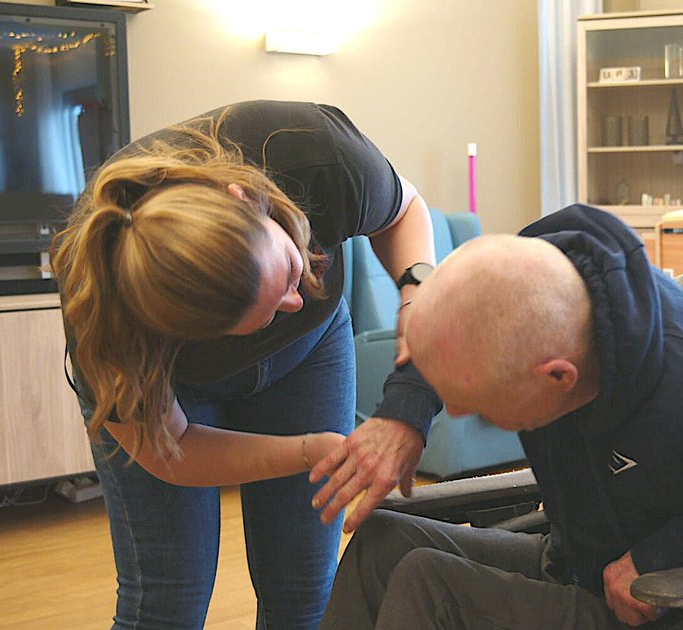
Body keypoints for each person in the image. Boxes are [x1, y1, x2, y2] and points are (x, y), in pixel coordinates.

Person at [316, 204, 683, 629]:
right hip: (576, 559)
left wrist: (664, 554)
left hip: (661, 603)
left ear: (557, 377)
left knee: (428, 583)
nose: (459, 412)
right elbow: (459, 318)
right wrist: (407, 413)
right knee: (384, 541)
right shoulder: (552, 277)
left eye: (482, 402)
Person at [50, 100, 439, 629]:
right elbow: (175, 450)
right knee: (166, 602)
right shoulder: (109, 322)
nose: (295, 301)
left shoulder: (309, 150)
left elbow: (403, 210)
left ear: (249, 200)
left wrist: (417, 294)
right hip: (175, 392)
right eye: (254, 323)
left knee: (304, 594)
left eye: (287, 270)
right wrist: (306, 450)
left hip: (311, 356)